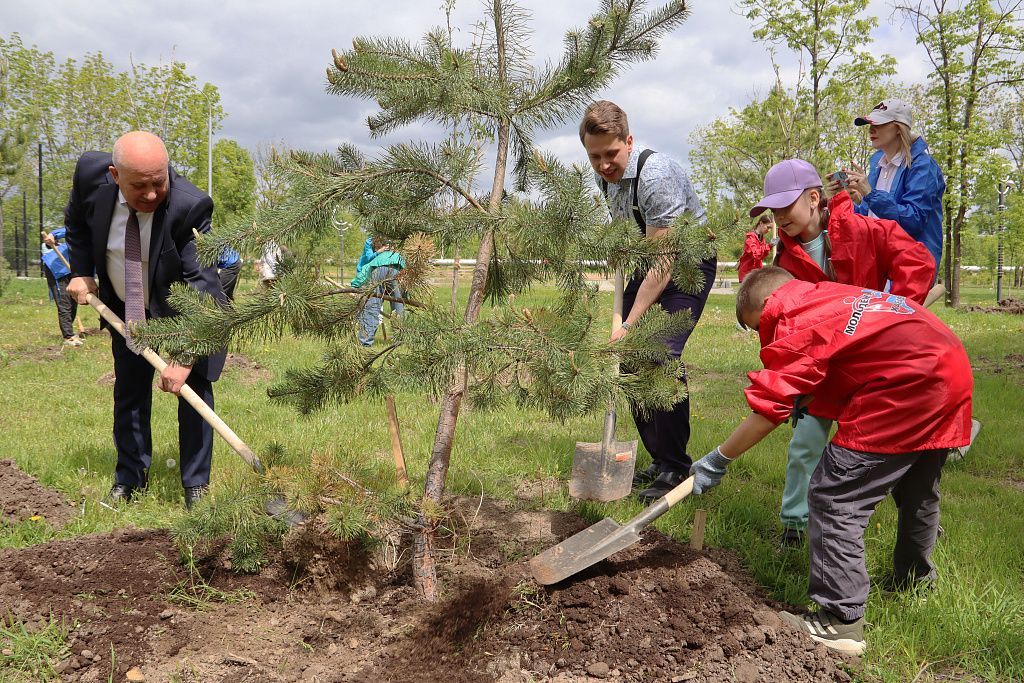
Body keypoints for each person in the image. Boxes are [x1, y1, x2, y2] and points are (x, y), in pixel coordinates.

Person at [689, 266, 972, 655]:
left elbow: (769, 407)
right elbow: (841, 360)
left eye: (758, 327)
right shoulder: (828, 297)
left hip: (904, 387)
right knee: (917, 490)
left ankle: (840, 622)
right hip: (947, 370)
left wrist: (718, 459)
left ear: (769, 303)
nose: (762, 335)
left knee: (834, 497)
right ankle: (913, 582)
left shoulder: (793, 318)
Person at [750, 158, 936, 545]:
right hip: (824, 367)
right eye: (773, 209)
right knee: (805, 443)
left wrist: (893, 313)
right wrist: (789, 381)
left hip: (871, 363)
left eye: (786, 206)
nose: (779, 216)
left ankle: (912, 525)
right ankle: (794, 524)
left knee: (881, 449)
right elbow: (781, 323)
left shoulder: (863, 229)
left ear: (813, 198)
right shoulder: (785, 261)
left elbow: (917, 262)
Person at [65, 131, 226, 509]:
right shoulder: (90, 176)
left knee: (194, 389)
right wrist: (81, 271)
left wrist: (185, 357)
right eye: (140, 186)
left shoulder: (190, 206)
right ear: (114, 175)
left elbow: (203, 287)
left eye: (159, 182)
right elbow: (77, 224)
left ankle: (196, 485)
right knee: (130, 389)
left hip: (182, 308)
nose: (152, 194)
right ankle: (130, 478)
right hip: (126, 305)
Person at [580, 100, 717, 502]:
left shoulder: (655, 176)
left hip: (686, 263)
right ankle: (659, 458)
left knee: (657, 354)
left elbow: (664, 262)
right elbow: (629, 232)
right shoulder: (605, 177)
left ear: (629, 141)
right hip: (647, 260)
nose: (604, 164)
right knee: (629, 361)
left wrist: (628, 324)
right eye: (594, 157)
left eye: (611, 154)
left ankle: (675, 467)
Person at [840, 99, 945, 273]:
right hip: (878, 263)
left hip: (911, 266)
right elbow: (870, 217)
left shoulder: (923, 166)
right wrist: (848, 200)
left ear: (898, 128)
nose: (871, 130)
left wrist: (870, 194)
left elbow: (914, 220)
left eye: (879, 124)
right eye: (869, 124)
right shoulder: (877, 164)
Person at [351, 237, 406, 346]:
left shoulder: (376, 259)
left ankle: (365, 342)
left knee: (371, 308)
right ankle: (400, 340)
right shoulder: (399, 255)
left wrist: (354, 285)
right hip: (398, 271)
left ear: (377, 248)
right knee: (398, 307)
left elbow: (363, 273)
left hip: (378, 271)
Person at [41, 227, 82, 346]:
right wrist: (52, 236)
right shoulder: (87, 231)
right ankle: (68, 337)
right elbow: (68, 230)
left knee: (73, 301)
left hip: (73, 270)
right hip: (57, 267)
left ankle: (70, 333)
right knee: (64, 301)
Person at [737, 213, 775, 282]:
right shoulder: (750, 237)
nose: (769, 230)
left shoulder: (762, 238)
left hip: (756, 273)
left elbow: (761, 256)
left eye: (770, 228)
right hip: (747, 274)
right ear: (761, 223)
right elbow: (755, 254)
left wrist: (770, 246)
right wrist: (769, 245)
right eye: (768, 227)